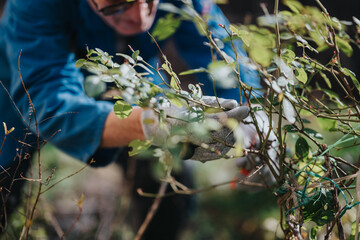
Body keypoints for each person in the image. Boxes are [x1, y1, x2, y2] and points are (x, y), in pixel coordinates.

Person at [0, 0, 263, 238]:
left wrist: (255, 119)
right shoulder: (32, 6)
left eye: (149, 1)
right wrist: (155, 124)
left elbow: (219, 48)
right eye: (116, 5)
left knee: (169, 190)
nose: (140, 19)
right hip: (23, 91)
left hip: (133, 91)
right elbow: (49, 104)